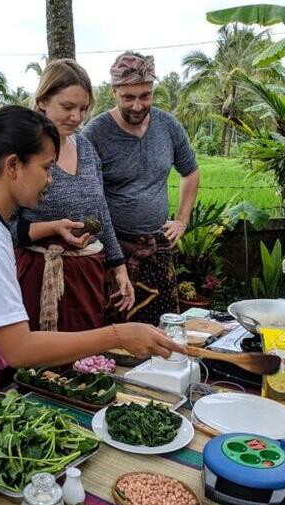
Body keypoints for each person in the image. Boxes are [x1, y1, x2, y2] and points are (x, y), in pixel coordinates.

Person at [0, 106, 182, 411]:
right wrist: (117, 335)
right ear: (13, 165)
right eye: (46, 167)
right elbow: (18, 349)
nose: (50, 179)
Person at [11, 59, 134, 332]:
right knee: (40, 354)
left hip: (86, 279)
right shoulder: (22, 153)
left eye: (83, 109)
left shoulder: (86, 148)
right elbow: (1, 229)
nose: (77, 117)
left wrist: (118, 266)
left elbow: (100, 211)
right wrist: (52, 228)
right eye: (67, 107)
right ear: (43, 100)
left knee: (86, 352)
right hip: (39, 277)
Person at [83, 51, 200, 324]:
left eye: (145, 96)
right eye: (128, 97)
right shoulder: (95, 133)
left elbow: (191, 172)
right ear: (113, 92)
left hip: (158, 249)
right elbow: (88, 198)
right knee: (116, 332)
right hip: (113, 253)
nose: (137, 105)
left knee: (164, 327)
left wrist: (182, 220)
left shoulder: (168, 125)